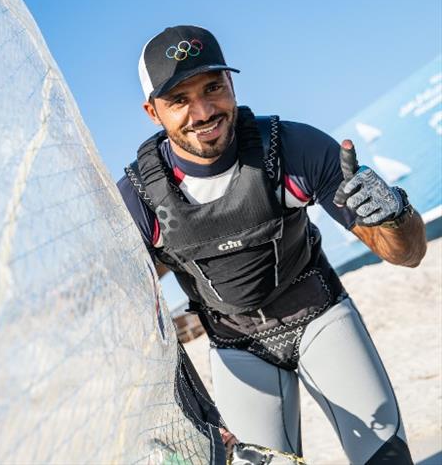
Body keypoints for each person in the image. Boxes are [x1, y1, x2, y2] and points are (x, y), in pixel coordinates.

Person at [118, 25, 427, 464]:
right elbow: (136, 323)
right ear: (153, 112)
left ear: (231, 84)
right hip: (238, 349)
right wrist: (195, 412)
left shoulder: (291, 149)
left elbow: (407, 254)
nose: (203, 111)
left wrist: (395, 213)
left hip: (321, 318)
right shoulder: (140, 201)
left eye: (213, 87)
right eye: (180, 100)